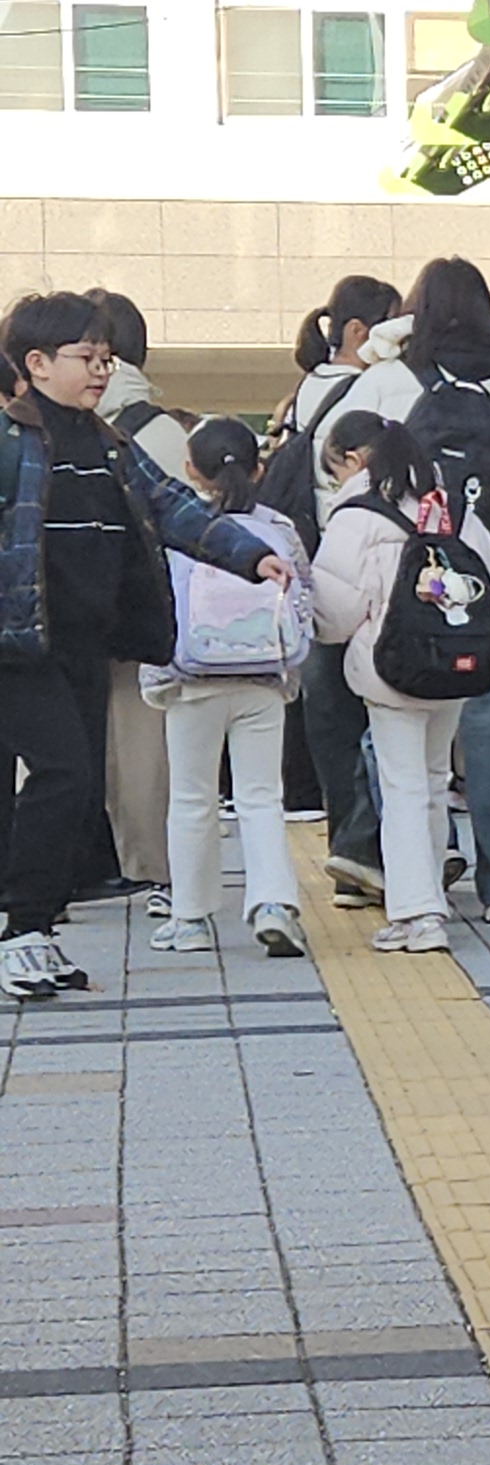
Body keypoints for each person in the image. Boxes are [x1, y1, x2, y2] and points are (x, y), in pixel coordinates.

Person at [0, 291, 289, 998]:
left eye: (106, 358)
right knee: (64, 775)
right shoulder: (10, 444)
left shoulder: (108, 445)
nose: (101, 370)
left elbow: (173, 506)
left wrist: (250, 556)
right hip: (17, 647)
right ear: (35, 363)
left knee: (75, 783)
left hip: (85, 644)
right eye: (86, 358)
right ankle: (23, 932)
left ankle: (30, 930)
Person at [322, 259, 490, 924]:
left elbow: (336, 467)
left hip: (404, 581)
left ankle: (422, 881)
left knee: (405, 727)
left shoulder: (381, 383)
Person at [307, 413, 490, 956]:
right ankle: (428, 895)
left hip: (391, 672)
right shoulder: (453, 508)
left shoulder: (358, 516)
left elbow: (335, 611)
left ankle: (417, 913)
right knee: (435, 781)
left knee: (403, 788)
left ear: (355, 460)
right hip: (455, 666)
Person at [144, 416, 306, 958]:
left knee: (192, 798)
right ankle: (274, 904)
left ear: (190, 469)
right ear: (259, 468)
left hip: (192, 682)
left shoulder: (175, 528)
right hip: (262, 679)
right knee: (261, 797)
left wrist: (156, 678)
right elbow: (303, 602)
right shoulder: (279, 528)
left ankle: (190, 917)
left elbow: (158, 605)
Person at [277, 273, 403, 908]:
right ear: (361, 332)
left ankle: (356, 851)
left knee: (331, 721)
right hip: (371, 571)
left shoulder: (305, 392)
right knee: (385, 720)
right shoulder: (375, 390)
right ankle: (386, 846)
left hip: (320, 574)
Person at [88, 286, 187, 903]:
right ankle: (147, 861)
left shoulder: (63, 424)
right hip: (142, 607)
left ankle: (95, 861)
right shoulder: (161, 429)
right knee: (140, 740)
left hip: (80, 607)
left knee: (81, 741)